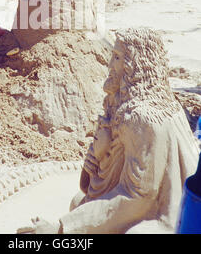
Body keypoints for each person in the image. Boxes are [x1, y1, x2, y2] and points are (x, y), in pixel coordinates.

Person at [17, 28, 199, 234]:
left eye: (118, 57)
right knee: (78, 203)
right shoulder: (134, 103)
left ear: (136, 65)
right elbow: (95, 186)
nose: (110, 65)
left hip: (171, 214)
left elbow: (139, 198)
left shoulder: (142, 118)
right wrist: (97, 154)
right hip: (141, 198)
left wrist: (60, 228)